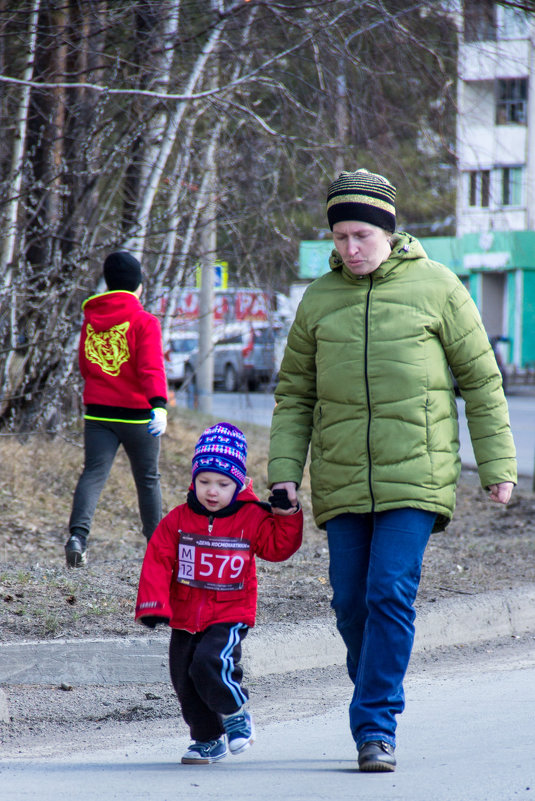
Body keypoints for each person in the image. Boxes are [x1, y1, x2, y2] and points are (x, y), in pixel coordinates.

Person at [268, 169, 516, 772]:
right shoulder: (319, 298)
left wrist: (496, 465)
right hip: (342, 473)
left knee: (388, 592)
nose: (350, 247)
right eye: (340, 236)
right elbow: (295, 393)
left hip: (419, 473)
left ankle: (375, 724)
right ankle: (371, 691)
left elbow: (481, 382)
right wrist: (283, 472)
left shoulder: (438, 287)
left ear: (388, 230)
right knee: (350, 603)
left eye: (361, 235)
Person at [135, 422, 303, 765]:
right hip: (185, 615)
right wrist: (154, 604)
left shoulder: (252, 516)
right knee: (184, 679)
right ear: (193, 481)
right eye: (204, 482)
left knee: (211, 661)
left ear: (238, 483)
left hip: (229, 612)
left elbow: (278, 547)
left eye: (223, 484)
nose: (212, 491)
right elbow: (157, 558)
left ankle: (235, 712)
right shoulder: (178, 519)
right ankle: (208, 739)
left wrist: (286, 515)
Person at [65, 251, 168, 567]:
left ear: (108, 285)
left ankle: (77, 538)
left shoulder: (91, 321)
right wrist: (160, 406)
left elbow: (85, 365)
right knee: (148, 478)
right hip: (139, 415)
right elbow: (150, 368)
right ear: (138, 287)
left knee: (93, 474)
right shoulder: (144, 321)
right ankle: (157, 548)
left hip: (98, 414)